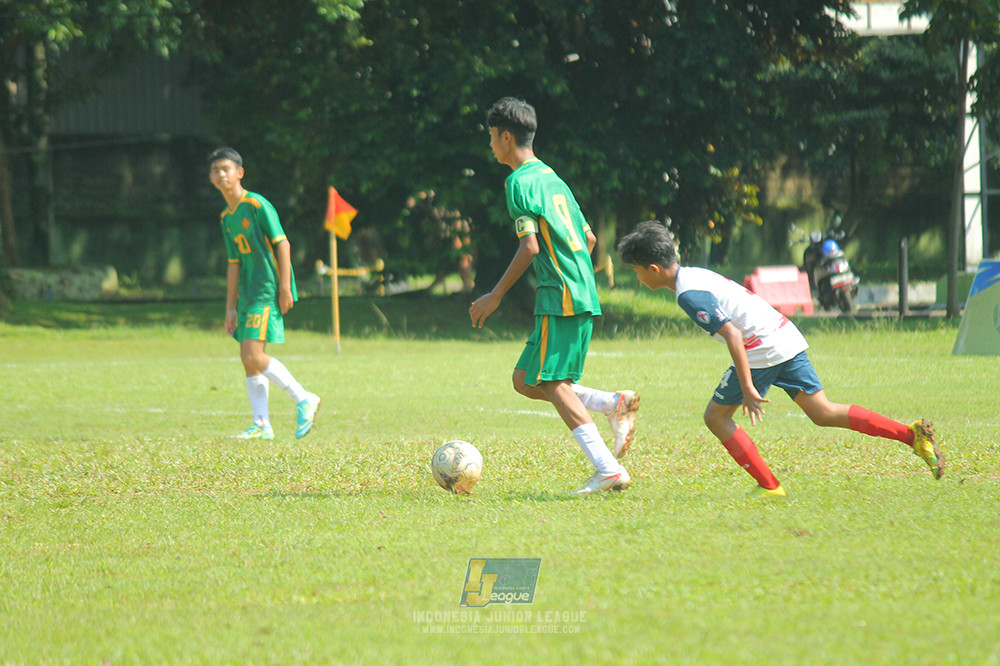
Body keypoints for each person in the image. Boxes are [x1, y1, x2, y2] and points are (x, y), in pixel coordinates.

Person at [615, 221, 944, 498]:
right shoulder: (694, 275)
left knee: (716, 418)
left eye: (636, 270)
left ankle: (769, 487)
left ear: (653, 268)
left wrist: (746, 386)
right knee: (823, 412)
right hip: (784, 334)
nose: (638, 277)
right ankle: (911, 435)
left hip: (763, 347)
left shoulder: (688, 293)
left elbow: (731, 334)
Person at [469, 97, 640, 495]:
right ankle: (612, 403)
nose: (491, 145)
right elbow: (589, 236)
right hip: (579, 288)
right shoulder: (552, 177)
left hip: (559, 292)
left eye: (492, 138)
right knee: (525, 380)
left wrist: (494, 295)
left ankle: (607, 468)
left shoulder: (518, 182)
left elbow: (529, 247)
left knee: (555, 383)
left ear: (506, 137)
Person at [209, 147, 321, 440]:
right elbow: (234, 262)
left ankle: (303, 398)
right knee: (248, 358)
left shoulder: (256, 205)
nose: (221, 174)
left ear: (239, 173)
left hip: (267, 289)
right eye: (215, 171)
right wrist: (230, 307)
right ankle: (261, 424)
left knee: (252, 353)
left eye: (226, 169)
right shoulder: (225, 217)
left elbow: (282, 244)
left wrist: (285, 286)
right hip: (247, 293)